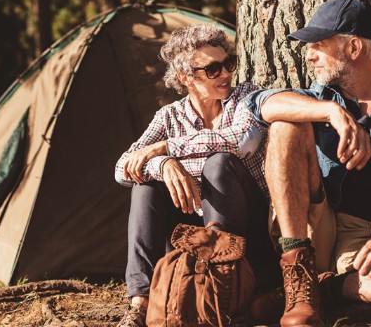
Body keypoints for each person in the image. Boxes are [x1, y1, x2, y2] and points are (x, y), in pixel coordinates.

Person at [245, 0, 371, 326]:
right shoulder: (317, 99)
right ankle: (298, 276)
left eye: (318, 45)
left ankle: (324, 291)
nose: (309, 55)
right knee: (285, 125)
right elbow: (258, 104)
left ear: (354, 48)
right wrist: (332, 112)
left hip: (367, 240)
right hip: (312, 227)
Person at [113, 24, 278, 327]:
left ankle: (221, 292)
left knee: (219, 164)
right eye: (213, 69)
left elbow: (242, 141)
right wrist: (163, 164)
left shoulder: (245, 97)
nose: (225, 73)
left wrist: (168, 147)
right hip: (191, 238)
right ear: (185, 78)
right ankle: (140, 304)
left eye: (228, 63)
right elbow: (123, 167)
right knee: (145, 186)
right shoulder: (169, 117)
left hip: (247, 237)